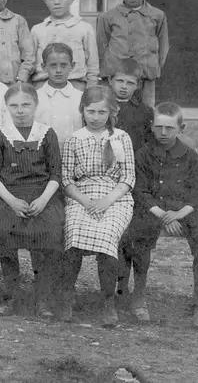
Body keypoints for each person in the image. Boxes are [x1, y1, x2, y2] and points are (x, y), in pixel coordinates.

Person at [123, 102, 198, 330]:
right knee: (138, 236)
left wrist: (178, 215)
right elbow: (140, 190)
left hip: (182, 210)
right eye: (159, 127)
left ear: (181, 128)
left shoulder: (190, 156)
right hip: (152, 210)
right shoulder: (143, 154)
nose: (163, 133)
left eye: (170, 128)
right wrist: (164, 216)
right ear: (152, 127)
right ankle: (139, 296)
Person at [0, 82, 64, 318]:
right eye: (14, 105)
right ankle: (12, 296)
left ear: (35, 105)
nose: (20, 110)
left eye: (26, 105)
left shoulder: (47, 133)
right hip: (8, 195)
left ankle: (43, 299)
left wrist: (42, 200)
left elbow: (56, 173)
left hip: (43, 194)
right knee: (3, 228)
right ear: (7, 107)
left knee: (49, 231)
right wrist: (12, 201)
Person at [60, 85, 135, 326]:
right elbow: (66, 180)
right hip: (81, 196)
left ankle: (107, 301)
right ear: (82, 111)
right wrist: (85, 201)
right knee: (74, 231)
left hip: (114, 198)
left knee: (107, 235)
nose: (96, 117)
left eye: (102, 112)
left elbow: (128, 178)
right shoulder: (75, 139)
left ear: (112, 112)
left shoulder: (120, 138)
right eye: (91, 111)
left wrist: (105, 201)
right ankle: (67, 295)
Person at [97, 0, 169, 107]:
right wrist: (109, 72)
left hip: (145, 79)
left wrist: (152, 68)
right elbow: (101, 48)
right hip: (115, 80)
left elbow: (163, 47)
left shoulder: (157, 16)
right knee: (112, 113)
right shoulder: (107, 17)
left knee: (145, 115)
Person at [31, 0, 99, 88]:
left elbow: (93, 66)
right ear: (45, 1)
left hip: (75, 85)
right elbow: (30, 63)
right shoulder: (37, 30)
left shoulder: (84, 28)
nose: (57, 2)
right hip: (42, 86)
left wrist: (90, 90)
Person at [35, 43, 84, 140]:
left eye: (63, 65)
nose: (58, 70)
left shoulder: (81, 97)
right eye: (53, 65)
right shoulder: (36, 98)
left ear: (72, 66)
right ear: (43, 67)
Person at [109, 58, 154, 156]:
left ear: (138, 85)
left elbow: (149, 141)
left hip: (134, 161)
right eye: (120, 81)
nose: (124, 86)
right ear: (110, 80)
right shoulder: (102, 108)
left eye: (130, 83)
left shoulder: (145, 111)